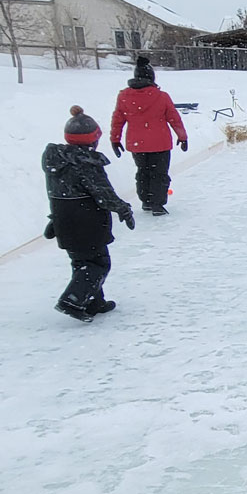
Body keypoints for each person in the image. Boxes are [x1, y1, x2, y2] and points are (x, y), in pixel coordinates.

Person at [43, 105, 136, 322]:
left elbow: (59, 192)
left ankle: (94, 302)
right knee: (98, 263)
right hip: (86, 221)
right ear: (93, 139)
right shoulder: (86, 164)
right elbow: (103, 193)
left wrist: (53, 218)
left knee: (81, 262)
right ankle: (72, 301)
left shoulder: (56, 160)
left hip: (64, 219)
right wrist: (123, 208)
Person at [110, 55, 188, 216]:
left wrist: (115, 139)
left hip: (137, 143)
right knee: (159, 173)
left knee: (143, 171)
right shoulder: (161, 96)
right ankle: (157, 204)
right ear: (151, 77)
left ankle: (146, 200)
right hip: (160, 143)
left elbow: (118, 119)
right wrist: (182, 136)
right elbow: (174, 118)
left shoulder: (124, 96)